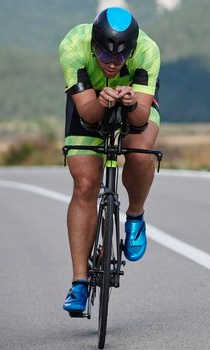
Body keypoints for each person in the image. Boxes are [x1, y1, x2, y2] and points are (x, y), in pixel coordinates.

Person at [58, 7, 161, 313]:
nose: (113, 63)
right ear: (93, 45)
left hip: (134, 102)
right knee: (85, 184)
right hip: (88, 101)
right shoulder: (73, 46)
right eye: (105, 55)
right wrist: (101, 100)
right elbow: (87, 114)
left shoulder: (147, 50)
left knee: (141, 154)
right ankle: (78, 282)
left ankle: (135, 216)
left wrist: (129, 102)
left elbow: (142, 117)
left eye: (121, 56)